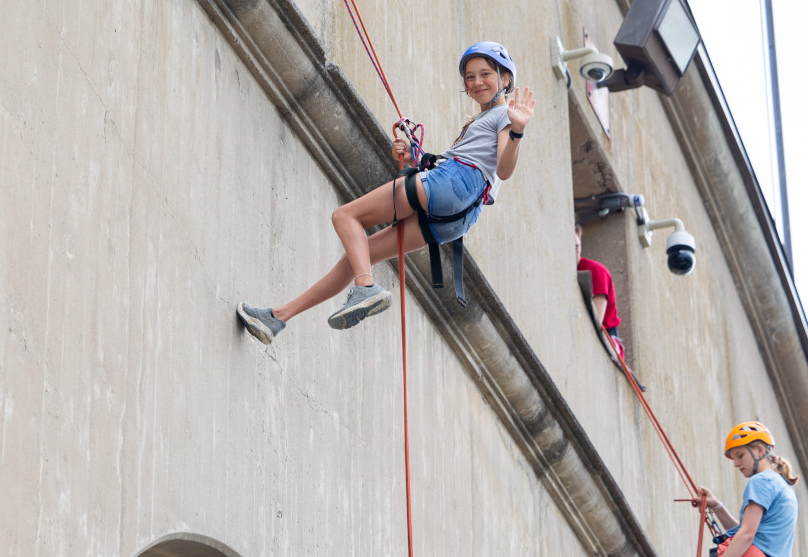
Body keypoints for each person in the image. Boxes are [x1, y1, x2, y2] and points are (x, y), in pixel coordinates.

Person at [237, 41, 536, 345]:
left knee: (345, 216)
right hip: (458, 217)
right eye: (470, 77)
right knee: (357, 257)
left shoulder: (504, 117)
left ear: (506, 79)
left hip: (453, 185)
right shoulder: (483, 121)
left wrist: (518, 132)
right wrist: (415, 158)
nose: (476, 83)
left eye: (485, 74)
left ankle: (365, 288)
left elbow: (504, 170)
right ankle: (277, 317)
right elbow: (477, 169)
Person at [692, 421, 800, 557]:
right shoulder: (782, 486)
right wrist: (716, 505)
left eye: (740, 455)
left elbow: (746, 535)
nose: (736, 464)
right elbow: (747, 532)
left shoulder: (761, 480)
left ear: (760, 450)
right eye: (734, 459)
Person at [575, 224, 625, 362]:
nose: (574, 251)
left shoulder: (596, 271)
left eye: (576, 246)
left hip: (608, 340)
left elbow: (596, 319)